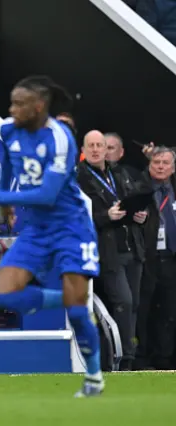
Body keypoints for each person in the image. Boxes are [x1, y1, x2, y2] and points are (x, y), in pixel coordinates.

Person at [0, 76, 104, 397]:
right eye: (11, 102)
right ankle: (69, 297)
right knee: (2, 297)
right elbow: (9, 165)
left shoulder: (60, 138)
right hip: (37, 228)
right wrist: (7, 204)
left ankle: (94, 378)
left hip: (71, 226)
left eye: (18, 104)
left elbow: (49, 194)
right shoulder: (9, 130)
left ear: (38, 107)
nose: (11, 109)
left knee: (79, 315)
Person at [77, 130, 145, 371]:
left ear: (107, 150)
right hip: (107, 251)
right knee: (123, 302)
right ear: (83, 151)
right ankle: (122, 358)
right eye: (91, 146)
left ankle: (129, 354)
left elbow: (132, 199)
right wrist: (106, 216)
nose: (96, 150)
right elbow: (77, 217)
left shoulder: (120, 173)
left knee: (134, 304)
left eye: (100, 145)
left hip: (132, 246)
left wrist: (139, 215)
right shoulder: (79, 179)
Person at [136, 147, 176, 370]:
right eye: (156, 162)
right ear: (149, 165)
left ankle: (165, 359)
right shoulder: (140, 190)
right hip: (147, 257)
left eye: (165, 162)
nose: (161, 166)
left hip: (171, 258)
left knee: (170, 312)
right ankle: (142, 358)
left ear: (173, 168)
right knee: (145, 309)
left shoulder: (174, 190)